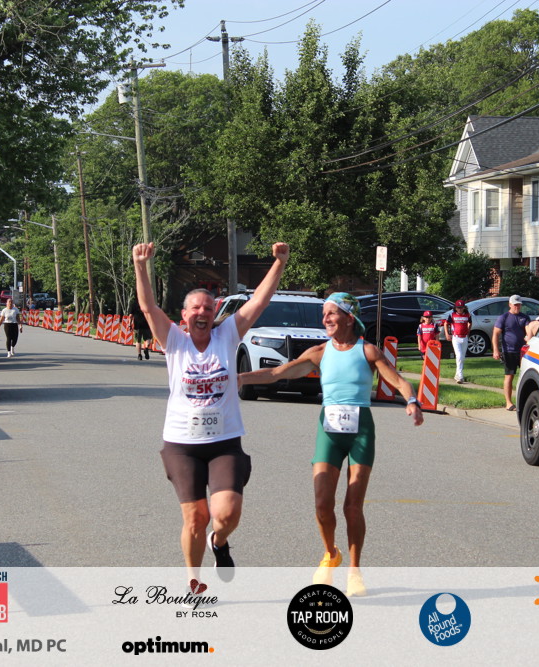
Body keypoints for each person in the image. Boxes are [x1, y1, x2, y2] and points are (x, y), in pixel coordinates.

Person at [238, 292, 423, 597]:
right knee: (323, 503)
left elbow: (399, 381)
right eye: (324, 314)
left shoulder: (368, 351)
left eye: (332, 313)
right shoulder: (319, 352)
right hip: (329, 431)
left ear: (349, 318)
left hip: (361, 431)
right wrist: (240, 378)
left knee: (352, 506)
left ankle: (354, 570)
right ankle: (330, 553)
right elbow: (275, 373)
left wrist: (412, 401)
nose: (325, 319)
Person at [133, 240, 290, 594]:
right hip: (182, 445)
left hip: (224, 443)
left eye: (207, 307)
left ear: (215, 310)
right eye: (195, 308)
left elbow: (259, 301)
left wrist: (279, 262)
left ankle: (218, 542)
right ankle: (194, 582)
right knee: (196, 517)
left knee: (226, 514)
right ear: (184, 316)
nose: (202, 313)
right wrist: (140, 265)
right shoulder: (174, 341)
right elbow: (147, 307)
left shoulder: (227, 335)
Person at [492, 294, 531, 411]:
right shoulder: (503, 317)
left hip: (523, 352)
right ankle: (508, 403)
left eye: (519, 305)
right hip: (509, 351)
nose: (517, 307)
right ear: (510, 305)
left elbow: (529, 331)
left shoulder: (525, 317)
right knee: (509, 376)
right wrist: (496, 350)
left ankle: (524, 402)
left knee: (526, 376)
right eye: (515, 305)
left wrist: (529, 337)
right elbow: (496, 334)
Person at [444, 300, 471, 383]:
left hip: (464, 337)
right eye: (458, 308)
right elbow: (446, 323)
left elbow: (470, 323)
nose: (460, 309)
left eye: (461, 307)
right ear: (455, 308)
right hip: (456, 337)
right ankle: (460, 376)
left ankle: (457, 374)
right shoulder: (452, 315)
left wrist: (468, 331)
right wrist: (447, 334)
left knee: (462, 357)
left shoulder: (468, 315)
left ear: (464, 308)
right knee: (459, 356)